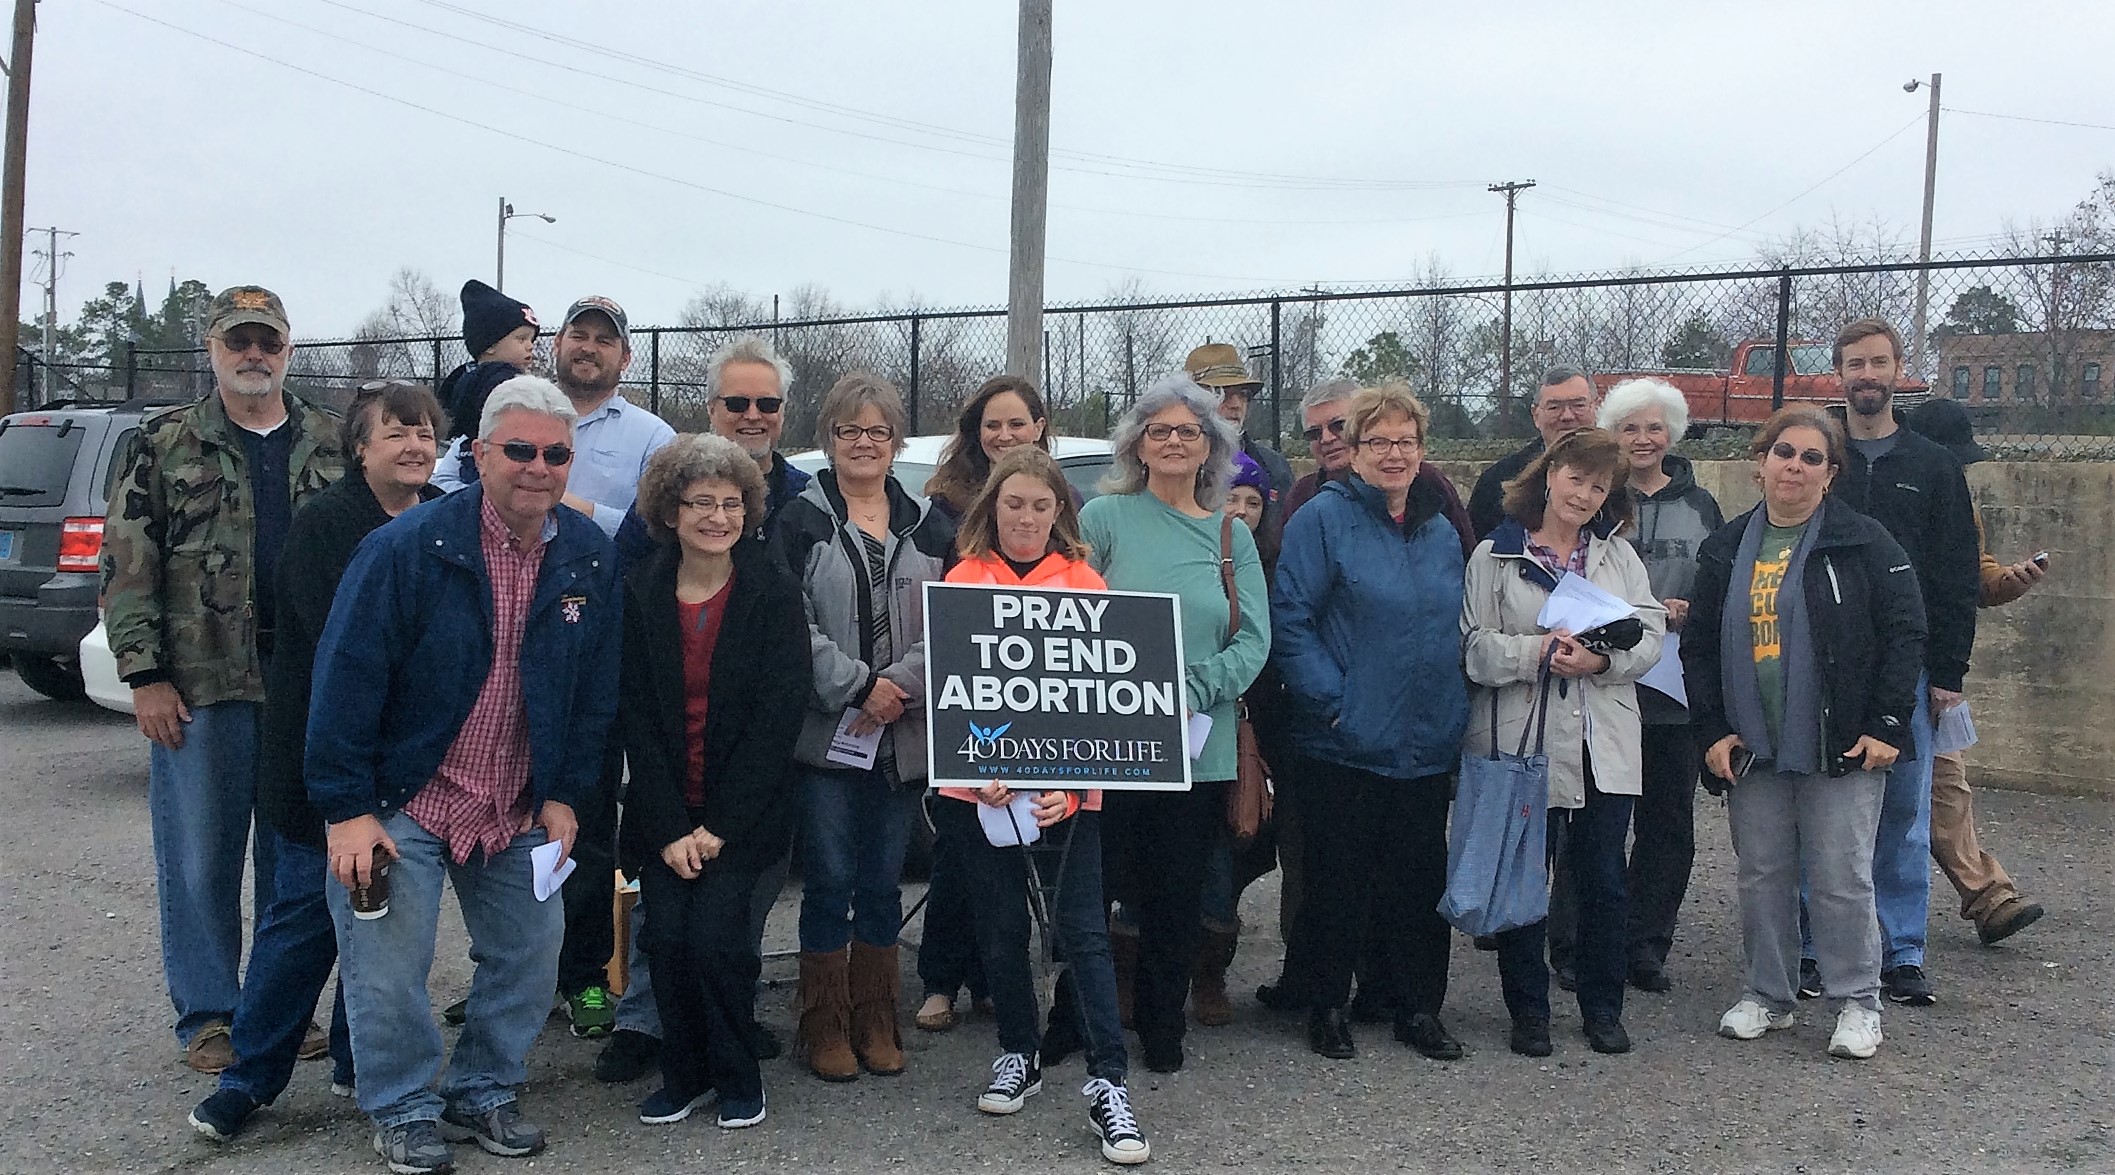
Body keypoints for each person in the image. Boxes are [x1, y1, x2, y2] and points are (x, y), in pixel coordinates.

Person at [307, 374, 621, 1174]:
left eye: (555, 453)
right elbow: (345, 679)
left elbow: (595, 693)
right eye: (518, 449)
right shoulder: (406, 548)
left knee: (531, 950)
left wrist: (562, 795)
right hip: (403, 793)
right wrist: (347, 808)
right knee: (388, 962)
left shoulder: (588, 554)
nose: (537, 466)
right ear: (478, 453)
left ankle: (483, 1086)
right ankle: (404, 1105)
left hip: (515, 795)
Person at [188, 381, 445, 1140]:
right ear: (359, 448)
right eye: (395, 431)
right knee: (303, 919)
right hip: (321, 761)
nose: (414, 444)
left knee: (384, 918)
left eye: (426, 431)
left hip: (404, 768)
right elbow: (362, 644)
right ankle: (249, 1078)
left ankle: (355, 1055)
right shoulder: (326, 527)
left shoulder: (441, 520)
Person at [100, 285, 345, 1073]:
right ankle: (209, 1014)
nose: (253, 355)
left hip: (302, 679)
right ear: (211, 350)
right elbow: (127, 566)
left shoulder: (331, 440)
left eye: (267, 342)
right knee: (201, 856)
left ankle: (275, 1010)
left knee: (292, 855)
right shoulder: (162, 443)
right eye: (238, 341)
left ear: (288, 352)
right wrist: (144, 675)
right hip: (201, 682)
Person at [598, 334, 813, 1084]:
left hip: (741, 798)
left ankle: (729, 1052)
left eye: (766, 403)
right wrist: (666, 820)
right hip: (666, 793)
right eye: (737, 402)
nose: (716, 514)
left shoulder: (781, 553)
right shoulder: (641, 587)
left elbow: (777, 709)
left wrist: (718, 824)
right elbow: (634, 711)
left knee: (725, 930)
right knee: (667, 927)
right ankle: (658, 1040)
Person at [1683, 406, 1925, 1061]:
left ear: (1830, 473)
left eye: (1811, 457)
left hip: (1838, 744)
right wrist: (1711, 727)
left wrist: (1884, 725)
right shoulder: (1726, 546)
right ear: (1758, 463)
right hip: (1751, 744)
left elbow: (1904, 634)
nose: (1794, 465)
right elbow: (1699, 646)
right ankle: (1768, 993)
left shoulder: (1865, 542)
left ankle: (1857, 1002)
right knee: (1761, 872)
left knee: (1841, 875)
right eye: (1782, 452)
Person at [936, 445, 1150, 1165]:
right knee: (999, 929)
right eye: (1012, 503)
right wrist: (978, 768)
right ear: (990, 508)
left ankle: (1107, 1079)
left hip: (1068, 798)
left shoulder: (1086, 583)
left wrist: (1073, 781)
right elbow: (958, 690)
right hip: (984, 794)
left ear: (1060, 510)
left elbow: (1096, 699)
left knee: (1082, 930)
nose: (1025, 517)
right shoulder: (963, 577)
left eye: (1039, 504)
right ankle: (1017, 1050)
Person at [1270, 383, 1469, 1062]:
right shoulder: (1320, 520)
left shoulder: (1440, 527)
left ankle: (1413, 1004)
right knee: (1336, 880)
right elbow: (1290, 620)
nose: (1392, 453)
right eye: (1377, 441)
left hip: (1424, 739)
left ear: (1421, 450)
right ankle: (1326, 1002)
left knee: (1416, 881)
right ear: (1350, 451)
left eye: (1404, 441)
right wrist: (1334, 703)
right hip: (1343, 740)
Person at [1079, 374, 1269, 1073]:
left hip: (1196, 745)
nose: (1172, 440)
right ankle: (1081, 1016)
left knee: (1174, 897)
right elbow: (1072, 619)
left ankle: (1163, 1024)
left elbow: (1252, 641)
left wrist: (1191, 687)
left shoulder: (1228, 534)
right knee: (1096, 893)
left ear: (1208, 445)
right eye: (1158, 429)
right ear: (1136, 442)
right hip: (1109, 744)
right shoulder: (1102, 520)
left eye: (1187, 430)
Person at [771, 372, 955, 1083]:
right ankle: (822, 1021)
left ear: (895, 441)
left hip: (902, 735)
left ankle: (876, 1013)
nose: (863, 443)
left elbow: (951, 617)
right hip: (828, 735)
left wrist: (897, 686)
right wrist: (858, 686)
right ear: (828, 440)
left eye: (877, 431)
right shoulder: (799, 520)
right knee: (828, 879)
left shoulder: (929, 523)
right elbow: (792, 623)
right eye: (849, 430)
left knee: (882, 881)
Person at [1460, 428, 1666, 1058]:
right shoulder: (1495, 555)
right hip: (1523, 739)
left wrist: (1602, 665)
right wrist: (1540, 653)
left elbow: (1651, 637)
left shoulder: (1619, 557)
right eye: (1575, 478)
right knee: (1526, 875)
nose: (1584, 493)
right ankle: (1529, 1011)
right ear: (1548, 475)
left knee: (1605, 879)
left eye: (1598, 486)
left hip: (1600, 741)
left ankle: (1603, 1006)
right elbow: (1473, 648)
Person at [1819, 317, 1980, 1008]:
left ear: (1897, 369)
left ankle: (1900, 948)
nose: (1866, 375)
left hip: (1906, 667)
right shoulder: (1816, 457)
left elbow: (1955, 577)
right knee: (1815, 802)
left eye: (1877, 363)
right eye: (1854, 364)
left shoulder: (1932, 466)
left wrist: (1947, 672)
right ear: (1839, 373)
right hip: (1820, 664)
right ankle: (1808, 942)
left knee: (1902, 811)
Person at [1548, 379, 1723, 995]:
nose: (1643, 439)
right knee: (1587, 817)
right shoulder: (1595, 503)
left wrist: (1687, 610)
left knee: (1666, 823)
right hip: (1596, 688)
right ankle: (1571, 942)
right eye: (1630, 428)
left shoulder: (1702, 507)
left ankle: (1645, 943)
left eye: (1654, 428)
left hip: (1670, 691)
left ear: (1671, 434)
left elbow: (1722, 586)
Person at [914, 374, 1065, 1037]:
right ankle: (942, 976)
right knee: (962, 850)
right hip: (971, 709)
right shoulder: (942, 504)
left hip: (1044, 708)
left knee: (1023, 849)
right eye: (991, 424)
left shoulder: (1065, 502)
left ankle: (994, 980)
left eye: (1016, 423)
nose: (1003, 435)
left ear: (1039, 427)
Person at [1903, 398, 2048, 945]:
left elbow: (1972, 574)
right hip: (1879, 662)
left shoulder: (1959, 502)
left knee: (1945, 784)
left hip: (1934, 666)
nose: (1958, 469)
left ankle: (1990, 898)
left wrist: (2012, 579)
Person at [1283, 376, 1474, 554]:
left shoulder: (1426, 482)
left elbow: (1464, 554)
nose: (1326, 438)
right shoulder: (1301, 497)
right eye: (1314, 433)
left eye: (1338, 425)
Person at [1467, 366, 1597, 541]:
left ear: (1595, 408)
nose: (1567, 416)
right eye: (1554, 407)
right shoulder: (1498, 482)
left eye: (1578, 405)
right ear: (1536, 415)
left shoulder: (1616, 476)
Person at [434, 280, 540, 487]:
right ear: (490, 345)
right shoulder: (507, 383)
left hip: (466, 458)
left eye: (531, 340)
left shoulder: (463, 378)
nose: (529, 347)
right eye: (521, 339)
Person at [1186, 343, 1294, 535]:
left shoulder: (1274, 466)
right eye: (1222, 394)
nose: (1236, 404)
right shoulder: (1176, 462)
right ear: (1191, 401)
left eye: (1243, 394)